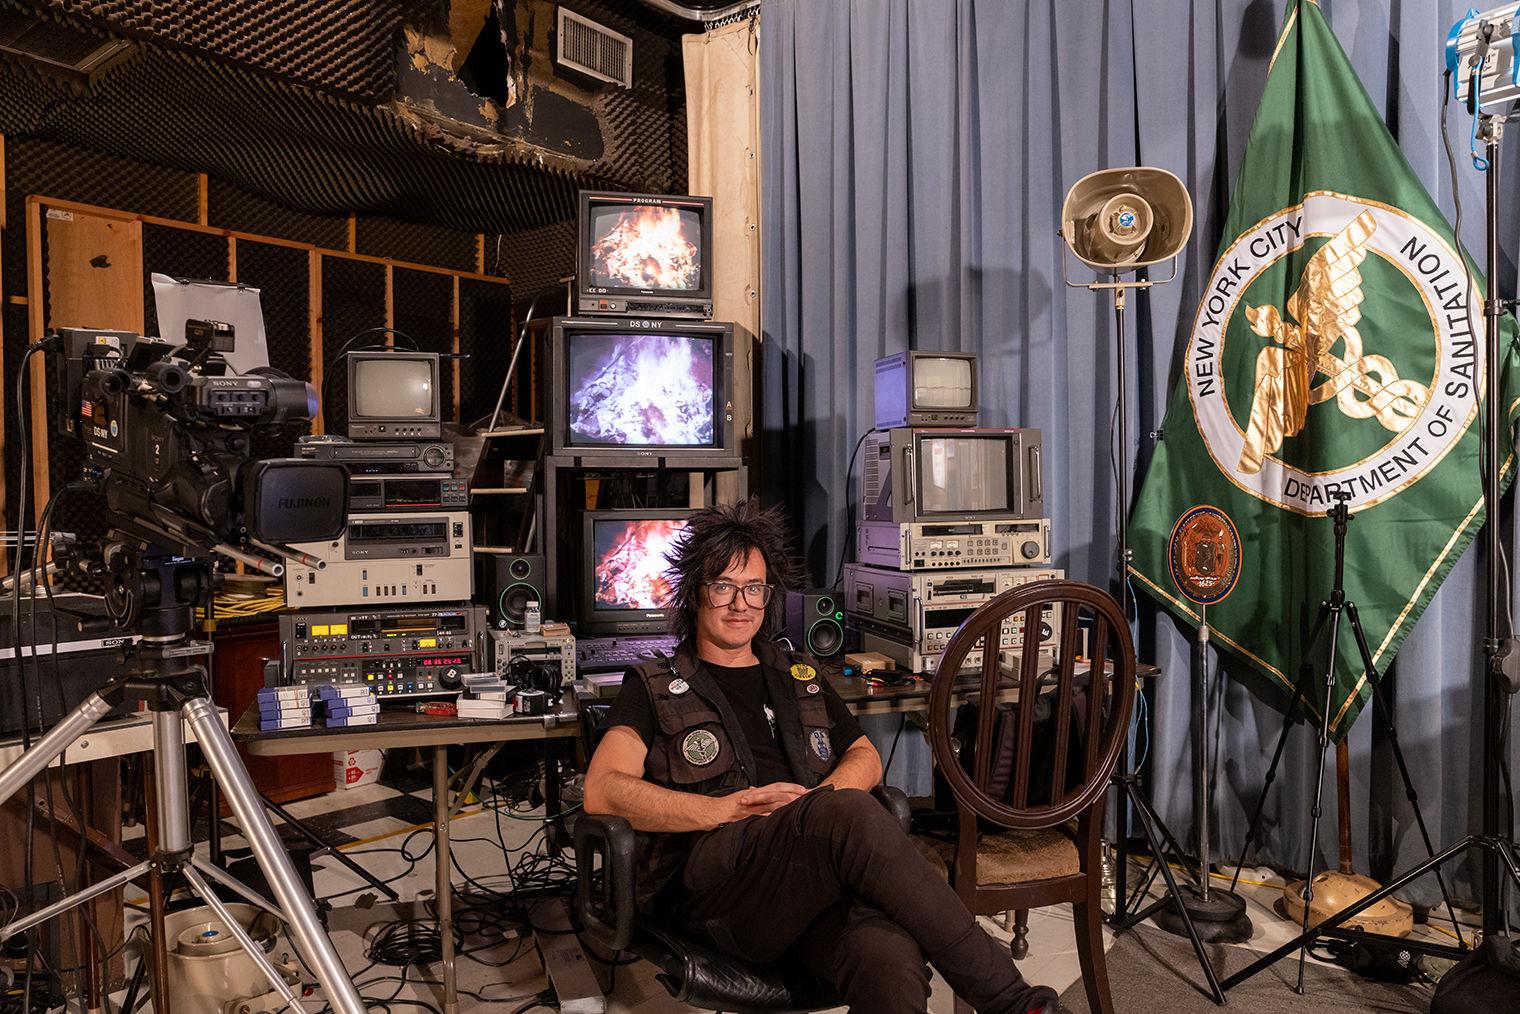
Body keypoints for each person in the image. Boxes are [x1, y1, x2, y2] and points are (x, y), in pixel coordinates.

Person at [584, 499, 1060, 1014]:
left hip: (806, 877)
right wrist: (724, 809)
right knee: (847, 811)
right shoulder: (652, 686)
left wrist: (813, 810)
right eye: (723, 586)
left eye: (754, 588)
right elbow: (602, 788)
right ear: (694, 593)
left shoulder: (799, 674)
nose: (739, 603)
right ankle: (1016, 1005)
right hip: (718, 892)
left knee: (887, 956)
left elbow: (864, 755)